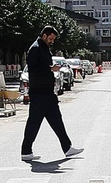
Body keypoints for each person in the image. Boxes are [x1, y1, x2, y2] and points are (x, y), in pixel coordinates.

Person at [21, 25, 82, 163]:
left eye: (53, 39)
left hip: (46, 92)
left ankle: (67, 148)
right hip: (39, 93)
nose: (52, 41)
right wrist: (50, 68)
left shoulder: (43, 47)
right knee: (34, 122)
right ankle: (26, 151)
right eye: (51, 38)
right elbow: (34, 69)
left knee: (56, 120)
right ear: (44, 35)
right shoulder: (35, 48)